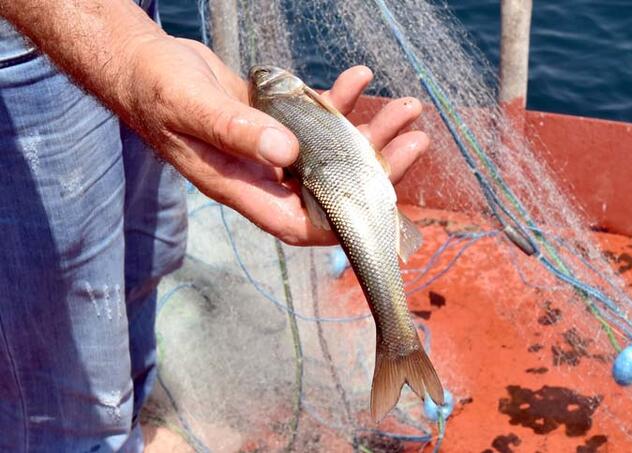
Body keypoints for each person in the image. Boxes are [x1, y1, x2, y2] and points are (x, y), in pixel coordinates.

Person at [0, 0, 429, 450]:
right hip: (26, 38)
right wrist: (127, 50)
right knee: (64, 319)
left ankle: (130, 418)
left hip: (130, 16)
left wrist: (134, 39)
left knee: (145, 250)